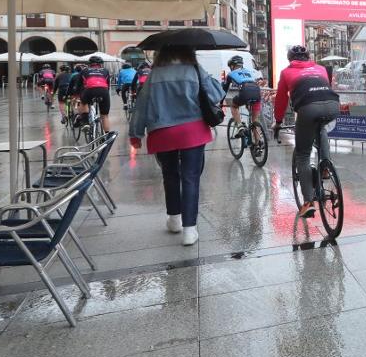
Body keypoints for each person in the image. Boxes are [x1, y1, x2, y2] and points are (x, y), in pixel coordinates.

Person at [128, 44, 224, 246]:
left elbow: (141, 105)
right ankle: (190, 231)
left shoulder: (155, 74)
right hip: (192, 131)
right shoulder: (193, 69)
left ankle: (174, 220)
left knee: (170, 176)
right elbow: (216, 94)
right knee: (190, 178)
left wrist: (135, 134)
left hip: (162, 132)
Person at [274, 45, 341, 217]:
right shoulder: (320, 68)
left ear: (290, 60)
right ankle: (325, 166)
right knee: (321, 128)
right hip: (333, 106)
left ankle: (308, 202)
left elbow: (281, 100)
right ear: (308, 57)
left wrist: (278, 121)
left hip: (308, 109)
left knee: (303, 154)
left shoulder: (286, 72)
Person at [76, 55, 113, 133]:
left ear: (89, 63)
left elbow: (78, 86)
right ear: (101, 64)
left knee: (83, 102)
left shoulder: (84, 70)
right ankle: (107, 136)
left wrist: (78, 96)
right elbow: (108, 84)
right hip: (104, 91)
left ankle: (86, 123)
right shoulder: (105, 71)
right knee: (105, 115)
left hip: (89, 90)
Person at [224, 55, 262, 125]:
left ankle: (240, 126)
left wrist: (220, 103)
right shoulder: (249, 72)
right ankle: (255, 132)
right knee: (254, 122)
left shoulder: (231, 74)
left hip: (245, 92)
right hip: (257, 92)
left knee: (233, 106)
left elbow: (224, 90)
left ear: (232, 66)